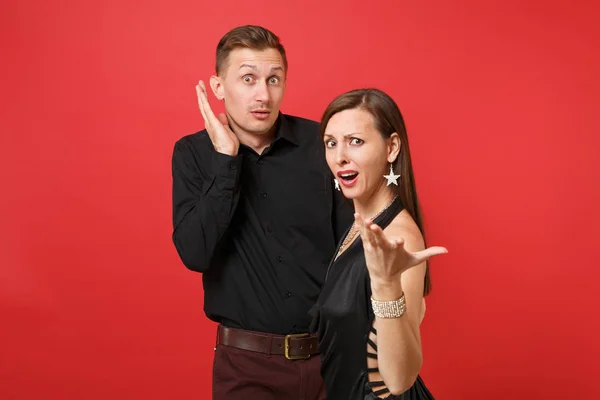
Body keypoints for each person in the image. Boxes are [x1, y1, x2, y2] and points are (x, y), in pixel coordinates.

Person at [170, 25, 352, 399]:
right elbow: (194, 253)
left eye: (274, 79)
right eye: (248, 79)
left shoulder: (321, 145)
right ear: (218, 86)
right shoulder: (193, 155)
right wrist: (226, 162)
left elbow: (352, 249)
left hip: (331, 361)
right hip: (246, 369)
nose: (263, 95)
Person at [310, 88, 448, 399]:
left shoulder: (399, 237)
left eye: (355, 141)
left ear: (392, 147)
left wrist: (386, 284)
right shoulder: (358, 227)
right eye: (331, 143)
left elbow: (399, 380)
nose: (340, 156)